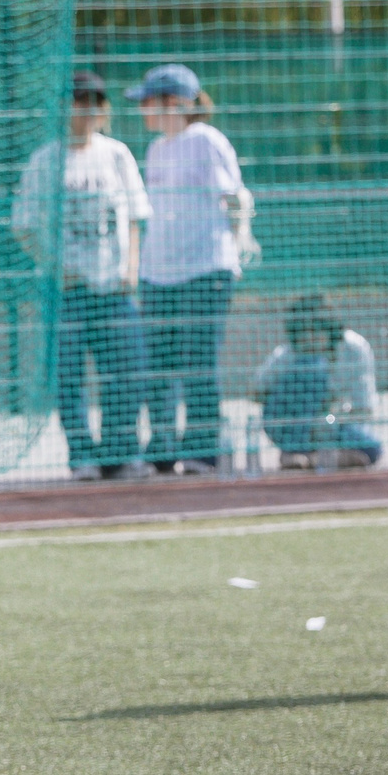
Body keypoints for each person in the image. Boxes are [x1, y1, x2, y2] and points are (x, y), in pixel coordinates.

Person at [14, 69, 150, 481]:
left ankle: (120, 454)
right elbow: (24, 225)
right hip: (68, 292)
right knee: (69, 378)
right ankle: (83, 456)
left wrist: (131, 267)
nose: (86, 110)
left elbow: (134, 216)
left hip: (113, 289)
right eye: (78, 101)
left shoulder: (116, 155)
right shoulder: (45, 160)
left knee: (127, 372)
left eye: (93, 102)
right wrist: (57, 268)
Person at [131, 63, 255, 475]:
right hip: (158, 273)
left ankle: (203, 449)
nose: (143, 110)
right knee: (159, 364)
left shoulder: (206, 140)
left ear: (175, 103)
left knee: (198, 362)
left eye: (149, 101)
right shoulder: (155, 149)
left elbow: (234, 197)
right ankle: (163, 446)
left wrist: (238, 242)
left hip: (205, 268)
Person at [255, 293, 380, 469]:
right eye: (302, 332)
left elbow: (365, 406)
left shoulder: (355, 349)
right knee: (312, 365)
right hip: (295, 428)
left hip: (335, 423)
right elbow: (256, 391)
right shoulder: (288, 354)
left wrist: (331, 416)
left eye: (315, 330)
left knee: (372, 448)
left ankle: (315, 458)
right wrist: (297, 393)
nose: (308, 338)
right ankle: (296, 451)